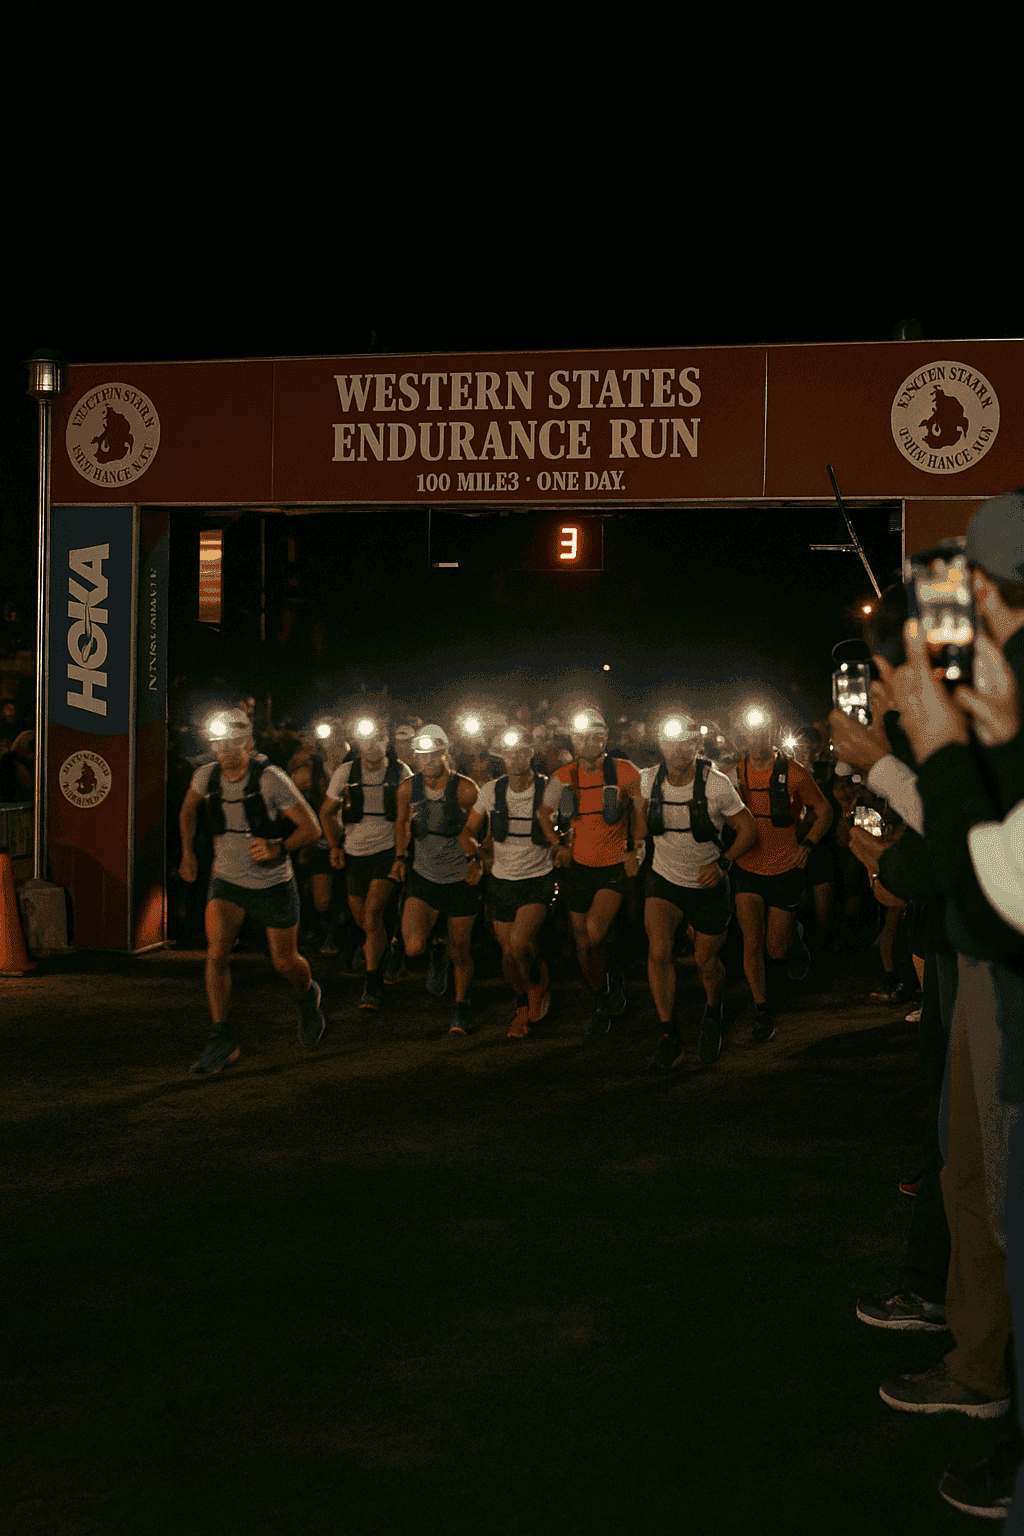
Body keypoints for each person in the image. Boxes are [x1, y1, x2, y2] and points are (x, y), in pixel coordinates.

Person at [178, 708, 325, 1074]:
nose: (226, 749)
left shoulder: (271, 779)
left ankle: (308, 996)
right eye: (219, 743)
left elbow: (313, 829)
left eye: (234, 742)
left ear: (249, 743)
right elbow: (187, 811)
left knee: (284, 962)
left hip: (271, 883)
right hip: (226, 881)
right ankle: (222, 1037)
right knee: (216, 954)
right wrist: (188, 854)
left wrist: (279, 848)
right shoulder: (205, 775)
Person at [640, 717, 756, 1071]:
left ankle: (712, 1010)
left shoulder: (717, 785)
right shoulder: (647, 780)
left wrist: (723, 864)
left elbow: (748, 829)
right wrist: (633, 847)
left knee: (706, 961)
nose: (677, 750)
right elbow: (636, 816)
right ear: (661, 745)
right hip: (664, 880)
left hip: (708, 884)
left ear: (696, 746)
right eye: (671, 743)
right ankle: (668, 1033)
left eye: (685, 743)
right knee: (659, 952)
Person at [538, 707, 646, 1035]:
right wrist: (559, 845)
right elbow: (544, 814)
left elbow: (641, 819)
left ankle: (614, 983)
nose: (588, 741)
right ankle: (603, 997)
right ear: (572, 739)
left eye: (596, 735)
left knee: (596, 932)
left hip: (612, 866)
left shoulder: (627, 772)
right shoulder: (562, 776)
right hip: (579, 869)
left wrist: (635, 850)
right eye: (582, 735)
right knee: (583, 943)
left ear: (606, 738)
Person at [727, 709, 832, 1042]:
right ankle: (762, 1011)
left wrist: (809, 844)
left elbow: (824, 810)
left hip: (786, 869)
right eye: (752, 735)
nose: (758, 742)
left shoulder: (795, 773)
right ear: (744, 738)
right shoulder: (733, 775)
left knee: (775, 949)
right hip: (747, 869)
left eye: (764, 734)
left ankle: (794, 939)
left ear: (773, 735)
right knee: (752, 944)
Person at [459, 726, 556, 1038]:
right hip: (502, 881)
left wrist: (562, 842)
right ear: (502, 757)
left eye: (522, 752)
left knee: (519, 944)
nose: (516, 759)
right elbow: (468, 831)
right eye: (510, 753)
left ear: (530, 753)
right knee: (509, 955)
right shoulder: (490, 790)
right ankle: (523, 999)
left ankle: (536, 996)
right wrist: (474, 857)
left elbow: (572, 826)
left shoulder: (551, 789)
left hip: (537, 878)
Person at [390, 725, 482, 1034]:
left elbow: (480, 829)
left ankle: (461, 1004)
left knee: (461, 951)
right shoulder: (407, 788)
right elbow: (402, 823)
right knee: (413, 947)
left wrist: (477, 862)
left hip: (459, 878)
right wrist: (400, 857)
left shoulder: (465, 789)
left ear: (445, 753)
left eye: (432, 755)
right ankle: (436, 952)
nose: (426, 761)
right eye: (420, 755)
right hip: (425, 877)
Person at [319, 718, 411, 1009]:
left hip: (387, 851)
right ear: (358, 743)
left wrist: (401, 855)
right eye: (367, 740)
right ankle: (392, 946)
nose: (372, 745)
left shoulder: (401, 772)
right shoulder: (347, 772)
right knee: (365, 921)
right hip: (355, 852)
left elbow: (406, 817)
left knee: (372, 917)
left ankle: (371, 985)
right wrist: (334, 845)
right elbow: (326, 811)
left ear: (388, 743)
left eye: (379, 739)